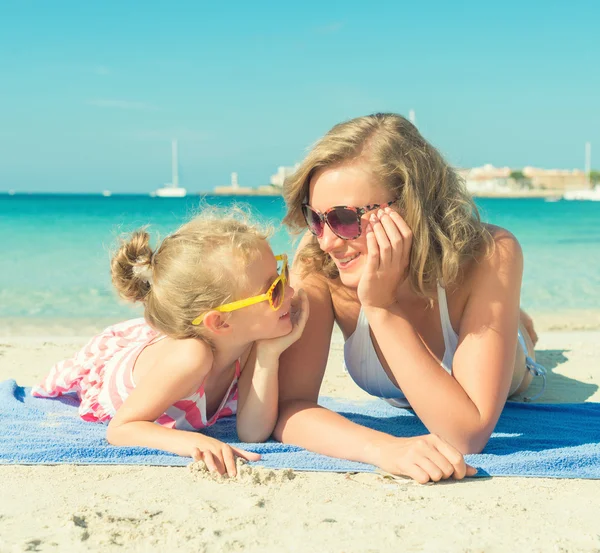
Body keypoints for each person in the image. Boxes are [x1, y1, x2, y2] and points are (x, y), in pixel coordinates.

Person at [275, 113, 543, 484]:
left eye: (344, 218)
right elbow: (289, 408)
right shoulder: (318, 262)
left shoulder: (490, 253)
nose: (327, 241)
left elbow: (467, 435)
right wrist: (383, 449)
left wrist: (382, 308)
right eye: (316, 218)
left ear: (411, 204)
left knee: (521, 348)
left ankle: (519, 327)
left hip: (517, 369)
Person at [32, 211, 309, 477]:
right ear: (221, 322)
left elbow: (252, 433)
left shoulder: (248, 341)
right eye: (274, 290)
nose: (291, 291)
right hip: (124, 370)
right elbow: (121, 429)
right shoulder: (191, 357)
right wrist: (192, 443)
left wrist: (268, 353)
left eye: (282, 274)